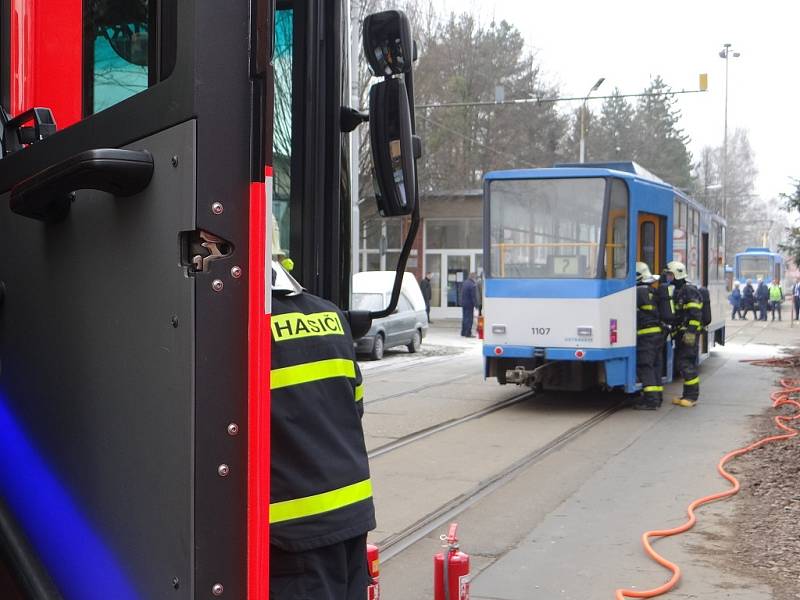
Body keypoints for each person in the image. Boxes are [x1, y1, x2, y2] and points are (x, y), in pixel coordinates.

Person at [270, 261, 375, 599]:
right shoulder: (330, 316)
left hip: (293, 531)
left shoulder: (244, 328)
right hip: (350, 517)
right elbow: (354, 405)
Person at [665, 261, 703, 408]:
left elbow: (695, 315)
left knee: (687, 364)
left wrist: (690, 333)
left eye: (670, 275)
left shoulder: (690, 291)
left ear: (677, 274)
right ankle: (686, 395)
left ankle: (692, 397)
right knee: (682, 364)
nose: (668, 278)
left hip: (689, 334)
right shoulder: (679, 291)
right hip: (681, 334)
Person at [634, 262, 663, 410]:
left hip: (646, 335)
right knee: (655, 366)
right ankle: (658, 397)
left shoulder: (638, 291)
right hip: (657, 333)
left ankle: (651, 401)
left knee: (646, 366)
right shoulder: (651, 290)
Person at [460, 272, 479, 337]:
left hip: (463, 303)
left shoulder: (465, 283)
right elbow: (473, 296)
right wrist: (476, 305)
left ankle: (463, 332)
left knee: (464, 318)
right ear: (473, 277)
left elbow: (462, 293)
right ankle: (468, 333)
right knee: (469, 319)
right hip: (469, 304)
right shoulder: (472, 285)